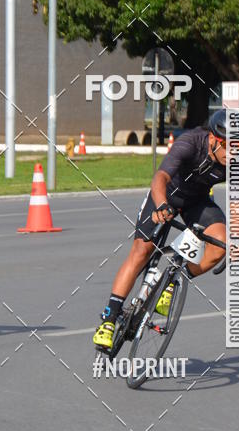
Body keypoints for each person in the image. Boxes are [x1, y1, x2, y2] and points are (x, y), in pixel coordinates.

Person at [93, 109, 229, 351]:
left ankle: (173, 281)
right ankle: (109, 319)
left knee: (222, 245)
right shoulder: (190, 143)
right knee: (141, 251)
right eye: (229, 147)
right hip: (165, 196)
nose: (234, 154)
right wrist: (161, 205)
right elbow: (161, 177)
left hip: (196, 202)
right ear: (214, 139)